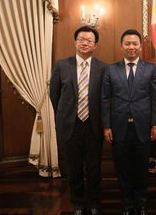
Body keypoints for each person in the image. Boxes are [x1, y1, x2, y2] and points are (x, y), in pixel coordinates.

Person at [101, 29, 156, 215]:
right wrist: (106, 126)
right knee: (122, 168)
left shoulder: (150, 69)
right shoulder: (110, 69)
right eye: (127, 43)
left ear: (140, 46)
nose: (131, 47)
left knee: (142, 168)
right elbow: (105, 99)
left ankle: (142, 203)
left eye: (135, 43)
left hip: (143, 126)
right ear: (121, 47)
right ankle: (127, 204)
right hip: (118, 127)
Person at [49, 26, 108, 215]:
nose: (84, 43)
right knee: (73, 168)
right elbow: (54, 95)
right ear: (75, 42)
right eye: (81, 39)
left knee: (93, 167)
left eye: (89, 40)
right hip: (70, 125)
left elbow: (106, 98)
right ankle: (78, 203)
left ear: (95, 45)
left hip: (93, 125)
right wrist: (64, 117)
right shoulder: (61, 65)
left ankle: (94, 203)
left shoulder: (103, 68)